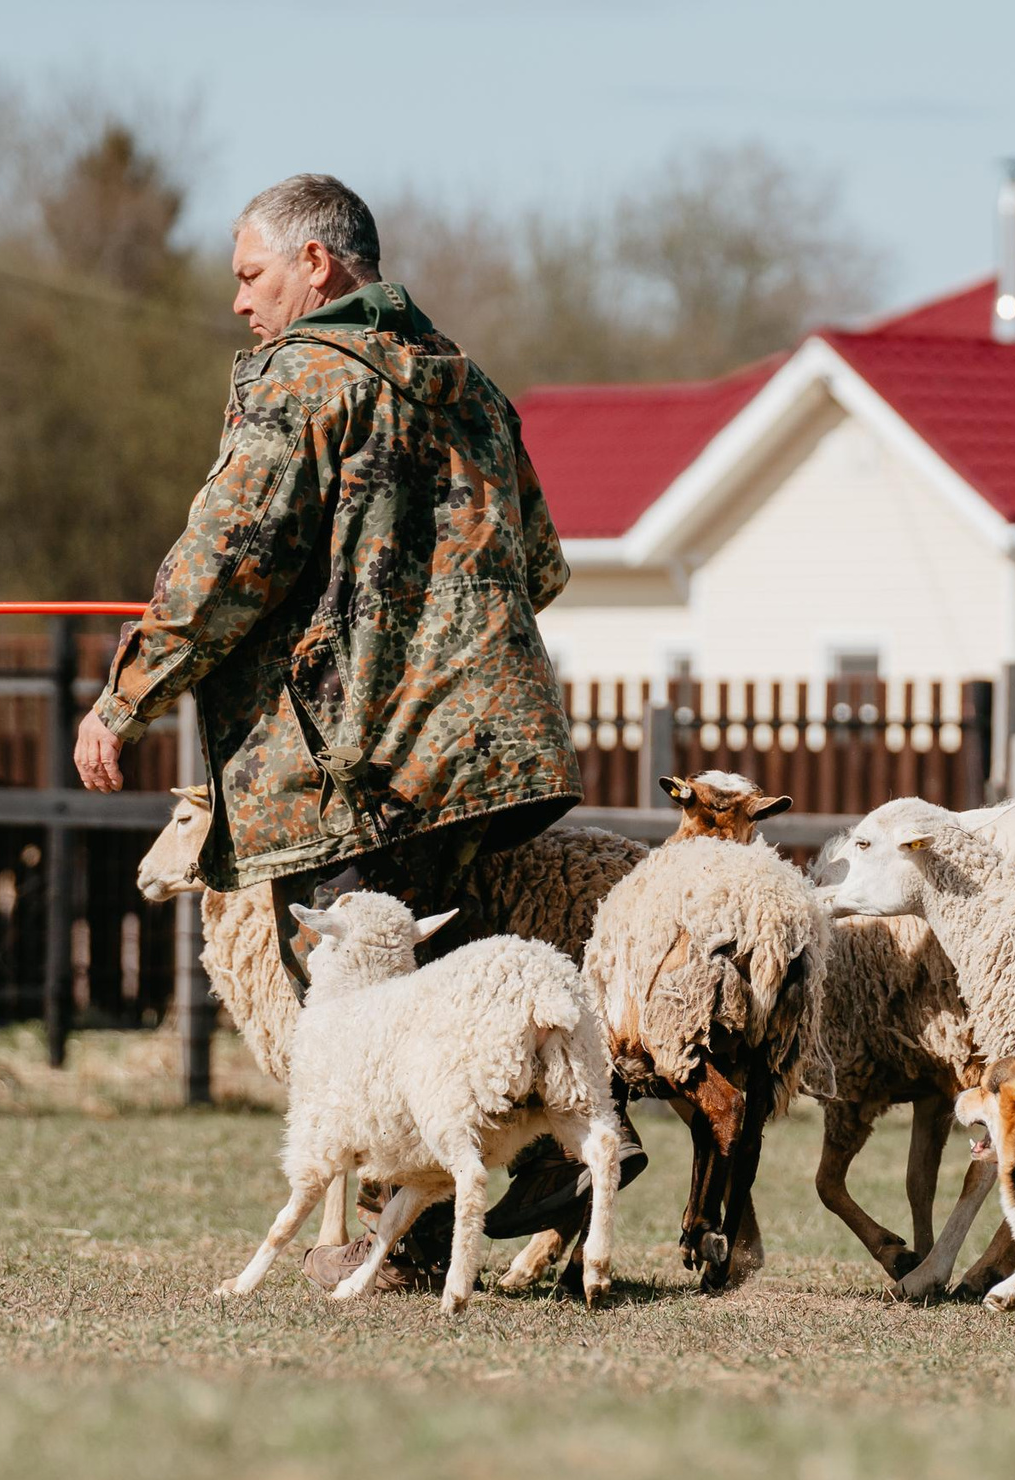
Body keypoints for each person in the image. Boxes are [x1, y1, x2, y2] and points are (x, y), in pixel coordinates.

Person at [75, 172, 637, 1289]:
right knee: (446, 998)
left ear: (317, 265)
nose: (240, 303)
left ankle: (464, 1217)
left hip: (354, 759)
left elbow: (227, 558)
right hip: (485, 749)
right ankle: (477, 1206)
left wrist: (124, 696)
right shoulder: (468, 384)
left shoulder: (301, 382)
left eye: (251, 275)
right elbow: (539, 566)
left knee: (362, 1013)